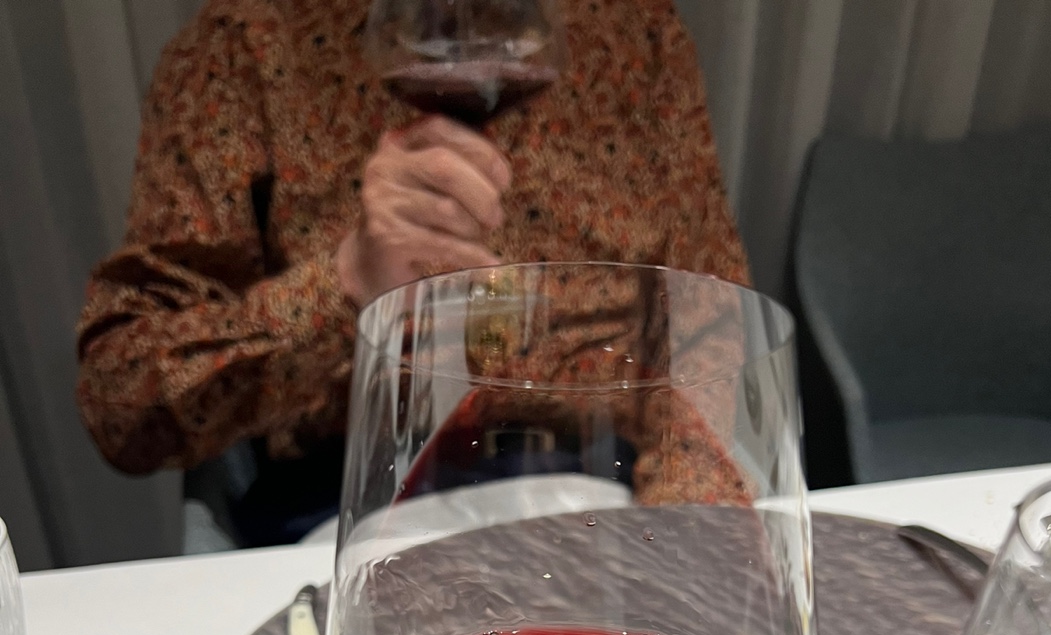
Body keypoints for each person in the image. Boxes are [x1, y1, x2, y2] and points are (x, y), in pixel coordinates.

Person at [76, 0, 749, 542]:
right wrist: (343, 282)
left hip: (606, 495)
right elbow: (123, 407)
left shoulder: (637, 31)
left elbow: (711, 325)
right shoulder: (244, 46)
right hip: (351, 506)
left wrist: (681, 529)